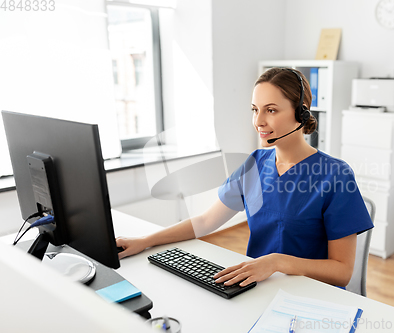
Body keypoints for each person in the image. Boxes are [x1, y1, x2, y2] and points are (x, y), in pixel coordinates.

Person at [116, 67, 373, 288]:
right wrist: (145, 241)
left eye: (271, 110)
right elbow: (206, 221)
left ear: (302, 113)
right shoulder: (255, 164)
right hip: (260, 286)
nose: (258, 121)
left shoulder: (335, 175)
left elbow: (342, 270)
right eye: (254, 109)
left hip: (310, 295)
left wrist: (277, 261)